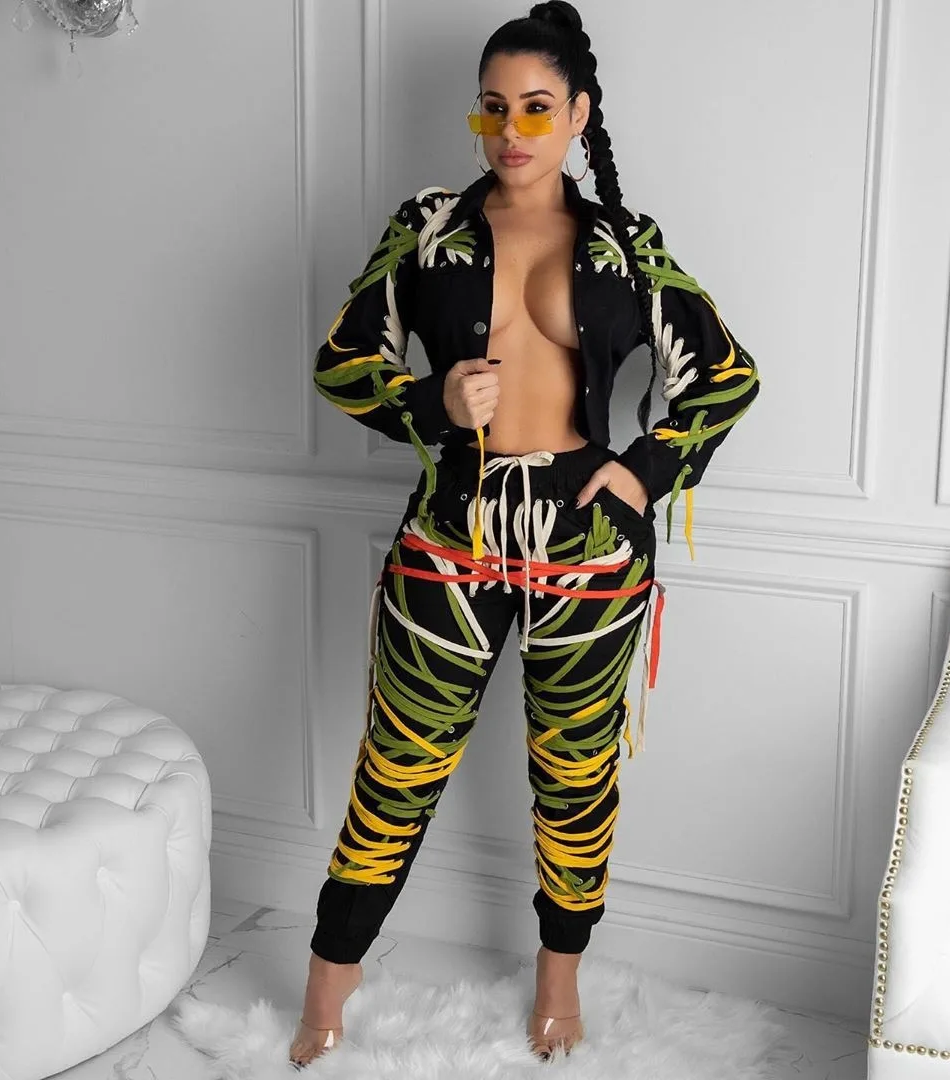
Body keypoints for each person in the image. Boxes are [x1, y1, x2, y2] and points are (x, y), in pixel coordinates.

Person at [289, 0, 761, 1067]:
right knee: (398, 765)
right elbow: (342, 360)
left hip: (589, 550)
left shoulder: (626, 244)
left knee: (576, 777)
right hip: (450, 536)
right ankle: (328, 979)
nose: (512, 130)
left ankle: (559, 980)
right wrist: (431, 402)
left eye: (538, 108)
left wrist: (642, 471)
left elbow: (726, 376)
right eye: (493, 108)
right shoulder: (429, 229)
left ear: (579, 114)